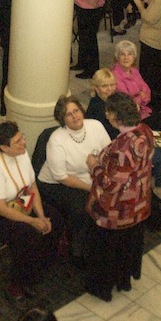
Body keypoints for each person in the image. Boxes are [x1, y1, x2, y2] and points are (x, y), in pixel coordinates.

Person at [0, 122, 60, 301]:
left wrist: (41, 216)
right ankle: (17, 283)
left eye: (22, 138)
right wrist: (32, 221)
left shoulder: (21, 153)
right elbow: (0, 208)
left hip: (17, 201)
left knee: (54, 217)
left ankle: (40, 266)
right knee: (24, 234)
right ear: (4, 148)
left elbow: (32, 187)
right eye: (18, 141)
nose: (23, 143)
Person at [84, 93, 153, 301]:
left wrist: (94, 165)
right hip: (138, 203)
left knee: (108, 250)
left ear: (115, 116)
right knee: (127, 247)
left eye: (108, 112)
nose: (107, 115)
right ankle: (123, 280)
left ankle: (102, 288)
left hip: (117, 209)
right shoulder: (145, 130)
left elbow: (111, 184)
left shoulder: (122, 149)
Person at [86, 68, 161, 203]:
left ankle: (160, 178)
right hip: (119, 145)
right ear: (96, 88)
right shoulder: (98, 108)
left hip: (128, 136)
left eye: (112, 84)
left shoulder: (114, 99)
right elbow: (111, 134)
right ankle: (159, 185)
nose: (109, 89)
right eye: (104, 86)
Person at [37, 96, 110, 260]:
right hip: (56, 183)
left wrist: (101, 176)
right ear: (62, 119)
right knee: (83, 206)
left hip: (88, 174)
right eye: (68, 114)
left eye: (76, 110)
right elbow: (61, 177)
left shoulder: (96, 126)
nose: (74, 116)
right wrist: (91, 187)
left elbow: (108, 153)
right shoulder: (56, 140)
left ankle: (100, 241)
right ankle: (77, 249)